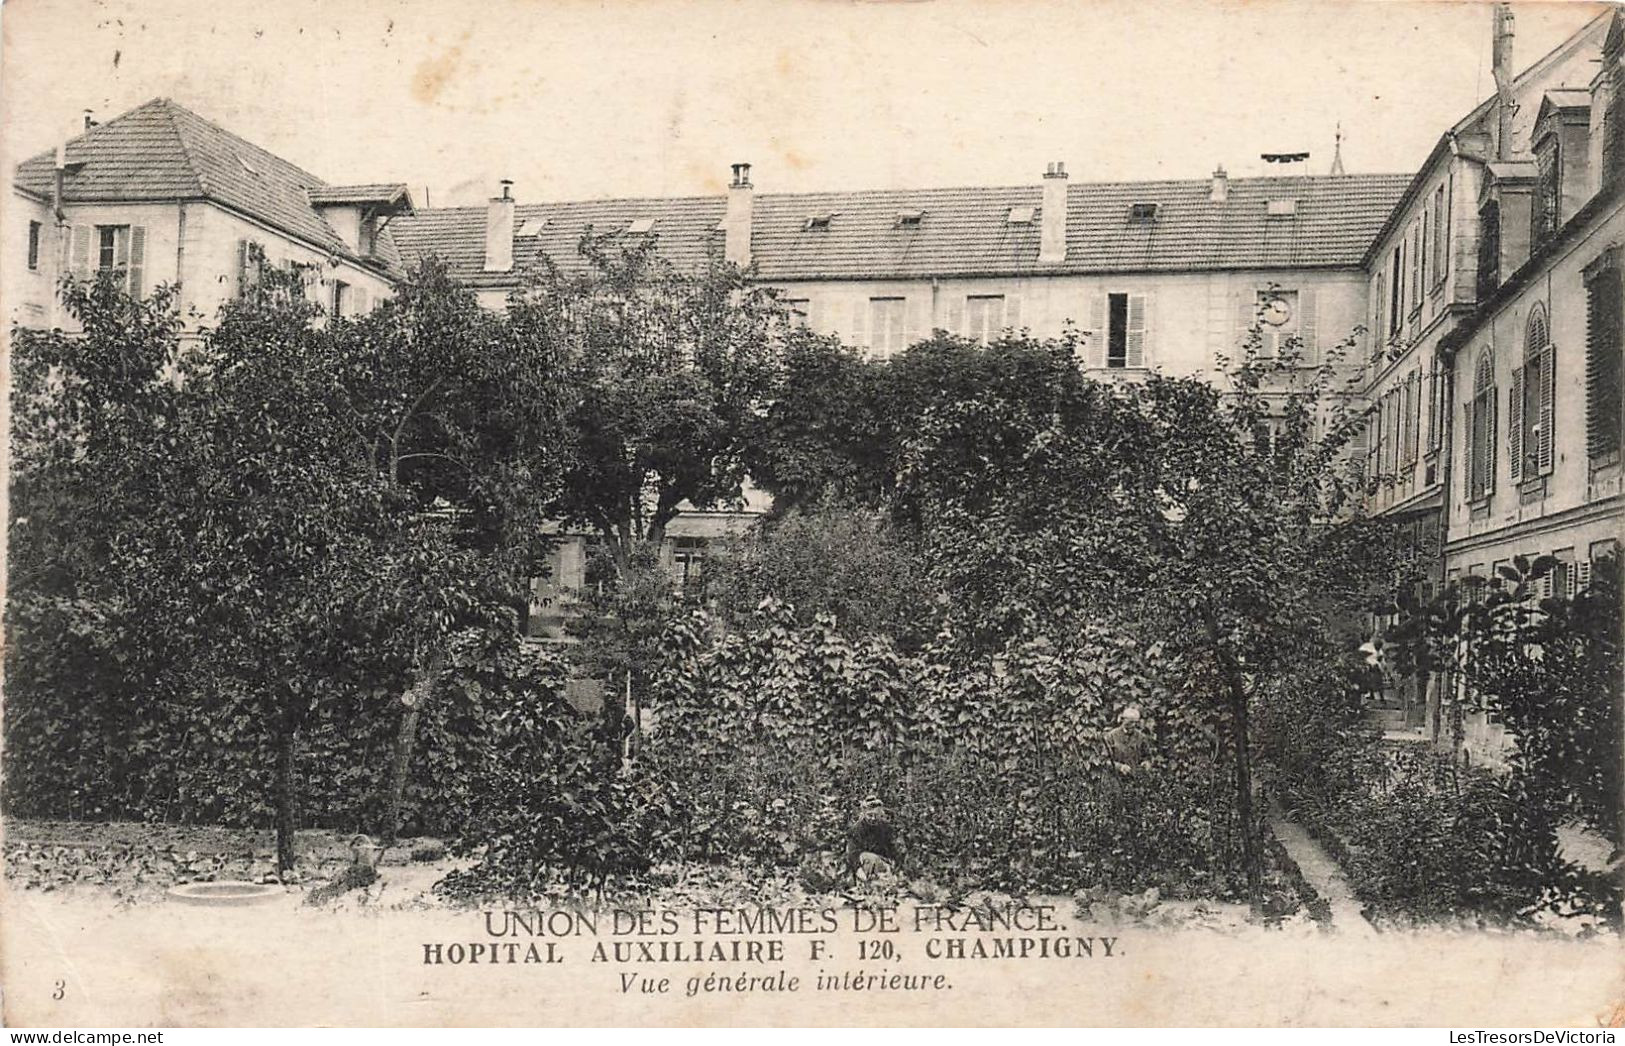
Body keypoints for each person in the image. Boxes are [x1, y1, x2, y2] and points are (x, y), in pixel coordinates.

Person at [844, 795, 904, 880]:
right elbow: (853, 854)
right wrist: (860, 872)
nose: (873, 818)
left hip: (883, 864)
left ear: (880, 814)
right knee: (868, 857)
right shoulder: (856, 830)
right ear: (864, 814)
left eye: (876, 815)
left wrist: (895, 866)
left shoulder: (885, 827)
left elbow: (893, 848)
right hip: (863, 867)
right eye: (870, 815)